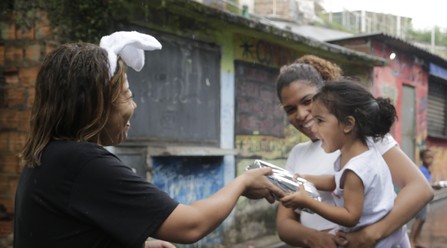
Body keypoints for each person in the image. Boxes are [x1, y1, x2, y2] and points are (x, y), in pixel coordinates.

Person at [13, 31, 284, 248]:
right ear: (96, 105)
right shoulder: (82, 163)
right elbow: (191, 225)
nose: (134, 106)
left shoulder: (50, 156)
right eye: (127, 95)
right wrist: (242, 182)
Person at [275, 55, 434, 248]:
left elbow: (420, 189)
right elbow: (284, 225)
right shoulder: (298, 154)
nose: (300, 114)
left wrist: (371, 235)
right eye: (290, 109)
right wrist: (317, 239)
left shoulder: (364, 139)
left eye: (307, 101)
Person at [408, 148, 444, 248]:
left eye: (431, 157)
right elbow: (424, 184)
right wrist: (434, 185)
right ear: (422, 158)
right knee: (419, 219)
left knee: (422, 219)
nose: (430, 160)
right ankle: (411, 241)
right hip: (420, 198)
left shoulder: (427, 170)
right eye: (427, 157)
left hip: (424, 199)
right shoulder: (422, 170)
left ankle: (416, 240)